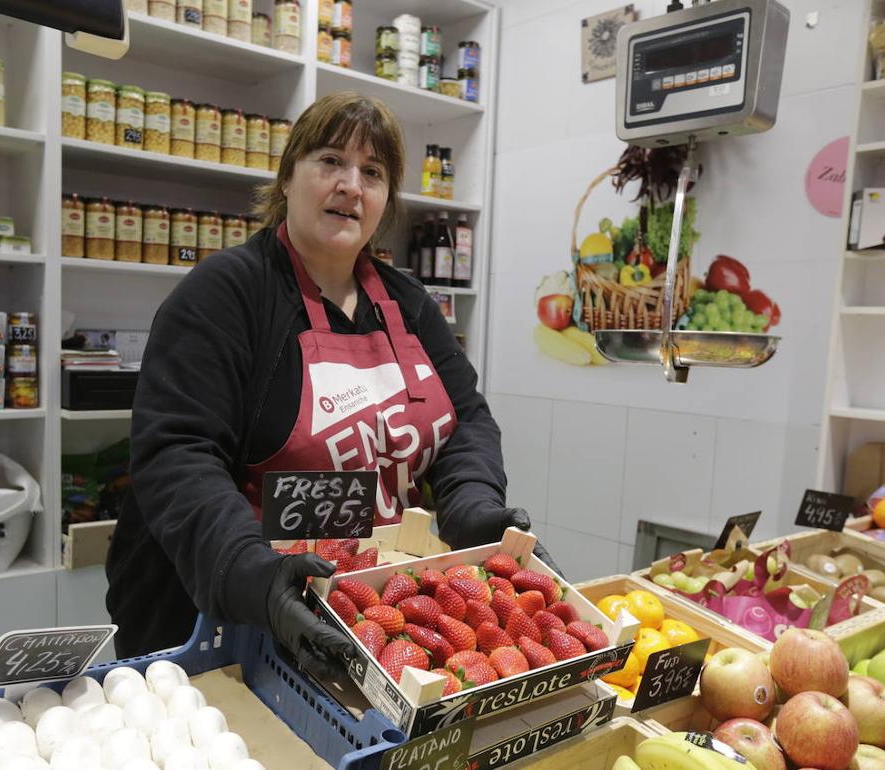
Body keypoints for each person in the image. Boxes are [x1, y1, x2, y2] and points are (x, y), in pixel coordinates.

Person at [105, 91, 554, 673]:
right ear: (288, 177)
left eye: (372, 172)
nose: (351, 185)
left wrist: (471, 508)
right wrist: (253, 575)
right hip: (223, 612)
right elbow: (177, 455)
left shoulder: (408, 304)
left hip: (365, 606)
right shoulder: (225, 294)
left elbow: (465, 420)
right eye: (329, 161)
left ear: (386, 199)